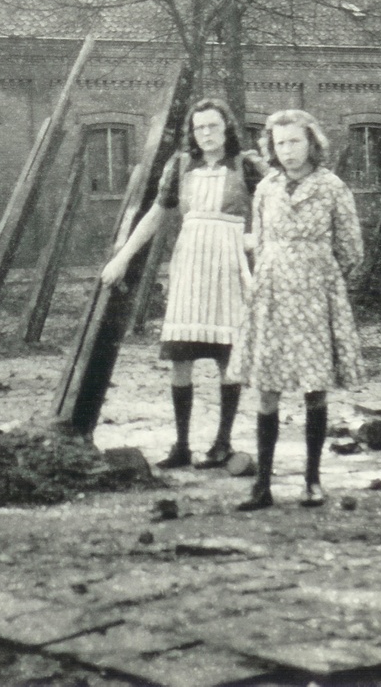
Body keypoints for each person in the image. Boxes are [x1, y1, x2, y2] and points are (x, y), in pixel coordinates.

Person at [101, 98, 262, 470]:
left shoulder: (246, 165)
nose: (206, 134)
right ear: (193, 132)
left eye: (213, 127)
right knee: (181, 357)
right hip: (190, 264)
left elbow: (273, 203)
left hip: (229, 265)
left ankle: (222, 444)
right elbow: (156, 215)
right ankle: (182, 445)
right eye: (199, 127)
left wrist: (257, 238)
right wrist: (122, 257)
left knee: (228, 359)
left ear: (227, 130)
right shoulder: (180, 166)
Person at [229, 109, 364, 511]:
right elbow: (261, 240)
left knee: (313, 388)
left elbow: (351, 250)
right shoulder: (267, 188)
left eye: (295, 142)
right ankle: (263, 486)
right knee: (267, 390)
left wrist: (317, 275)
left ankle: (312, 481)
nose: (287, 151)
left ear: (312, 144)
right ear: (271, 147)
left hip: (314, 297)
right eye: (280, 143)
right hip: (271, 295)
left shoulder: (332, 187)